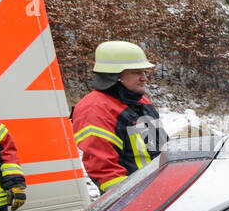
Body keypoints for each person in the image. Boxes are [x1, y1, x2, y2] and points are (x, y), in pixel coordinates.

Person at [71, 41, 168, 193]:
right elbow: (106, 172)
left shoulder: (140, 102)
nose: (144, 78)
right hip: (134, 199)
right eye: (137, 72)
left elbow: (163, 148)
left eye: (144, 72)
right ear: (114, 75)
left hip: (161, 189)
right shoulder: (94, 110)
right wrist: (131, 198)